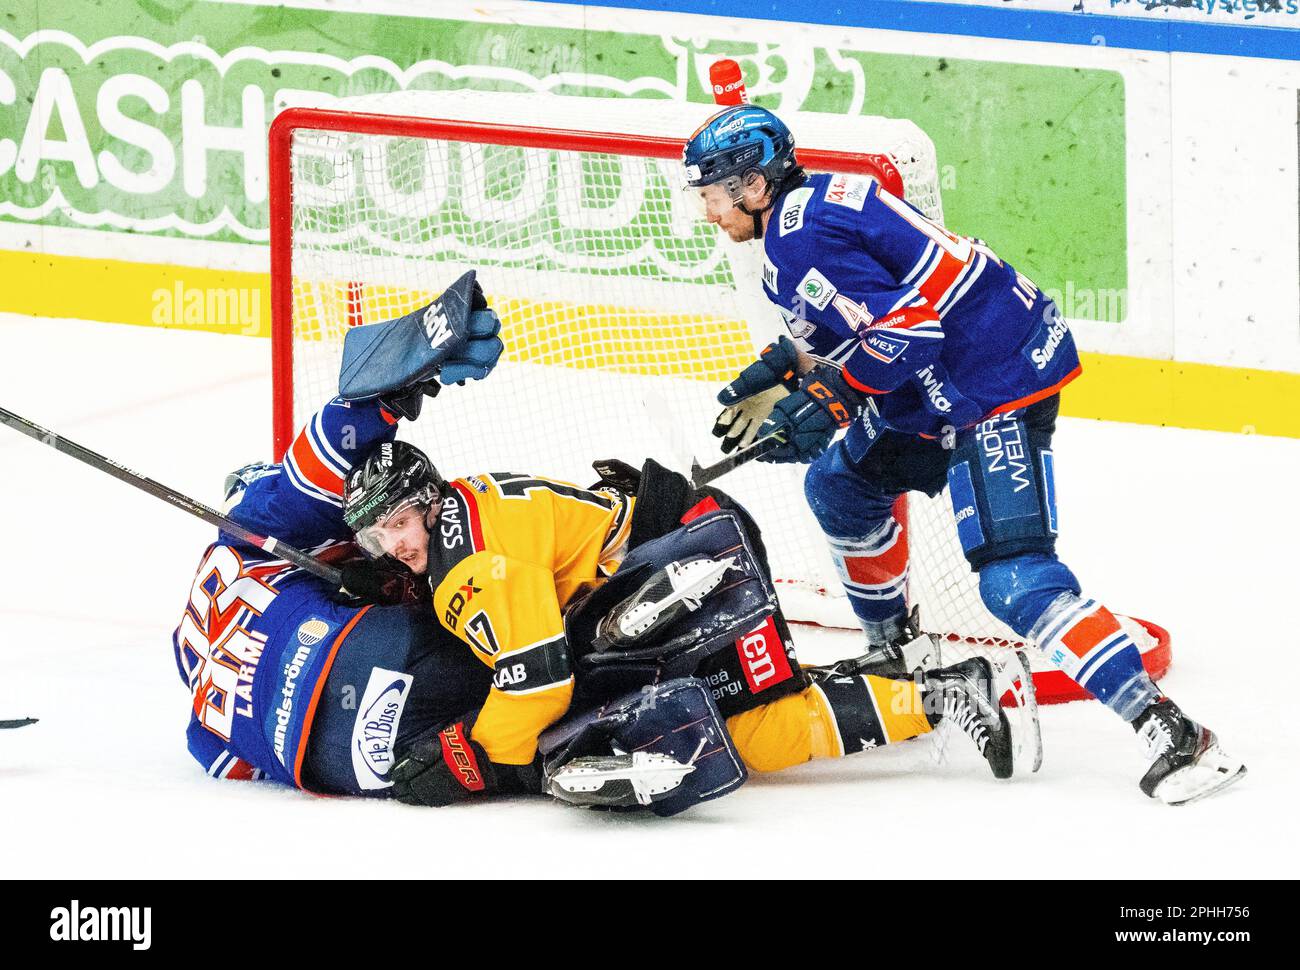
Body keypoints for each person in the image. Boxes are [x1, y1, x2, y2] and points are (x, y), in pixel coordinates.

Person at [681, 103, 1244, 805]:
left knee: (1014, 582)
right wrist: (787, 368)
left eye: (711, 192)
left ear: (754, 187)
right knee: (840, 486)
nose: (707, 210)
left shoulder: (801, 241)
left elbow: (909, 334)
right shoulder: (808, 215)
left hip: (993, 387)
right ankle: (899, 663)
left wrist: (833, 397)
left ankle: (1173, 731)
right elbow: (857, 322)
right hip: (941, 386)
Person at [338, 439, 1037, 813]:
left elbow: (540, 681)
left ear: (428, 504)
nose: (392, 545)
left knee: (737, 733)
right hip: (692, 538)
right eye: (376, 538)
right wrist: (415, 583)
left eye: (397, 524)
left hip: (694, 569)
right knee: (760, 695)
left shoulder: (465, 568)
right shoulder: (465, 505)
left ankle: (944, 693)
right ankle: (927, 687)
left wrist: (478, 754)